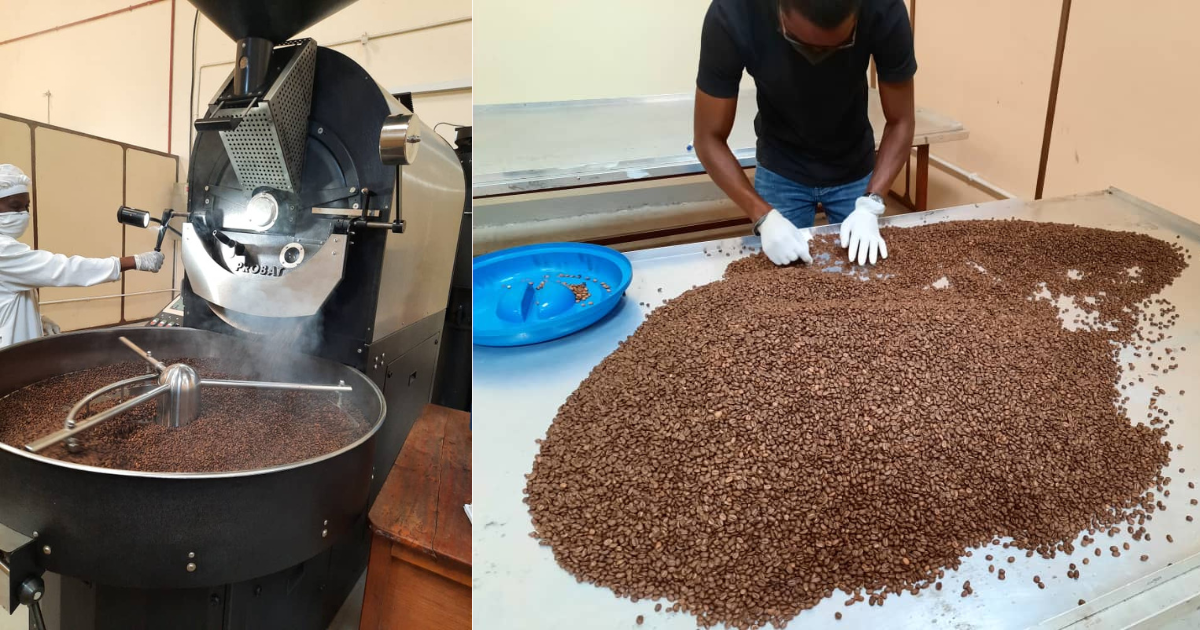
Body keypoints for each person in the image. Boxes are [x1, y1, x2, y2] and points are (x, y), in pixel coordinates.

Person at [693, 0, 916, 266]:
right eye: (801, 44)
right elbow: (708, 138)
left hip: (853, 163)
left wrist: (872, 202)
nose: (818, 58)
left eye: (836, 46)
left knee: (864, 274)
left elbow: (901, 120)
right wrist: (763, 216)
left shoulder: (883, 8)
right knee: (780, 281)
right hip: (781, 165)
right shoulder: (734, 12)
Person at [0, 164, 164, 348]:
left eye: (26, 207)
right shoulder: (3, 250)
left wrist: (37, 319)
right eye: (15, 207)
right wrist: (136, 261)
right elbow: (62, 269)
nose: (24, 215)